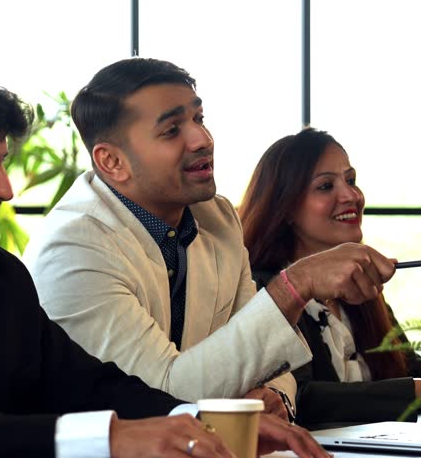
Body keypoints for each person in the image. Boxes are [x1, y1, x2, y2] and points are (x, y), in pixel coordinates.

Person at [0, 51, 332, 458]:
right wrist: (116, 438)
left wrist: (203, 420)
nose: (5, 189)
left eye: (2, 164)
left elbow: (87, 382)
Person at [22, 57, 396, 416]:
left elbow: (264, 352)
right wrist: (296, 284)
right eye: (172, 130)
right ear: (112, 162)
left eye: (199, 118)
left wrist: (276, 396)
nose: (202, 139)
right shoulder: (74, 247)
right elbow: (160, 398)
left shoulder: (216, 217)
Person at [239, 127, 421, 428]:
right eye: (325, 186)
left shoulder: (361, 286)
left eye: (351, 180)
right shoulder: (263, 291)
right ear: (286, 207)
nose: (351, 196)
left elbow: (411, 368)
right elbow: (300, 399)